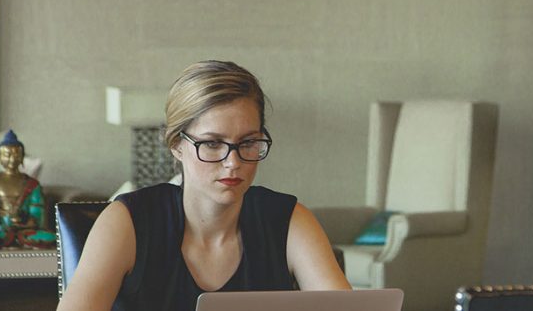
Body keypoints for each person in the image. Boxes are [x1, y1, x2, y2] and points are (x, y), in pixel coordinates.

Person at [58, 60, 350, 310]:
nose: (233, 162)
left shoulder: (288, 220)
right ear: (177, 144)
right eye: (212, 143)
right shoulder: (128, 221)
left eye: (248, 142)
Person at [0, 130, 56, 249]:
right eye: (7, 155)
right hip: (1, 230)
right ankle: (14, 240)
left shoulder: (32, 184)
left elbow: (37, 215)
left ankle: (13, 240)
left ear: (22, 157)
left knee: (51, 237)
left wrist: (25, 223)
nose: (12, 159)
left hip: (25, 231)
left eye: (16, 155)